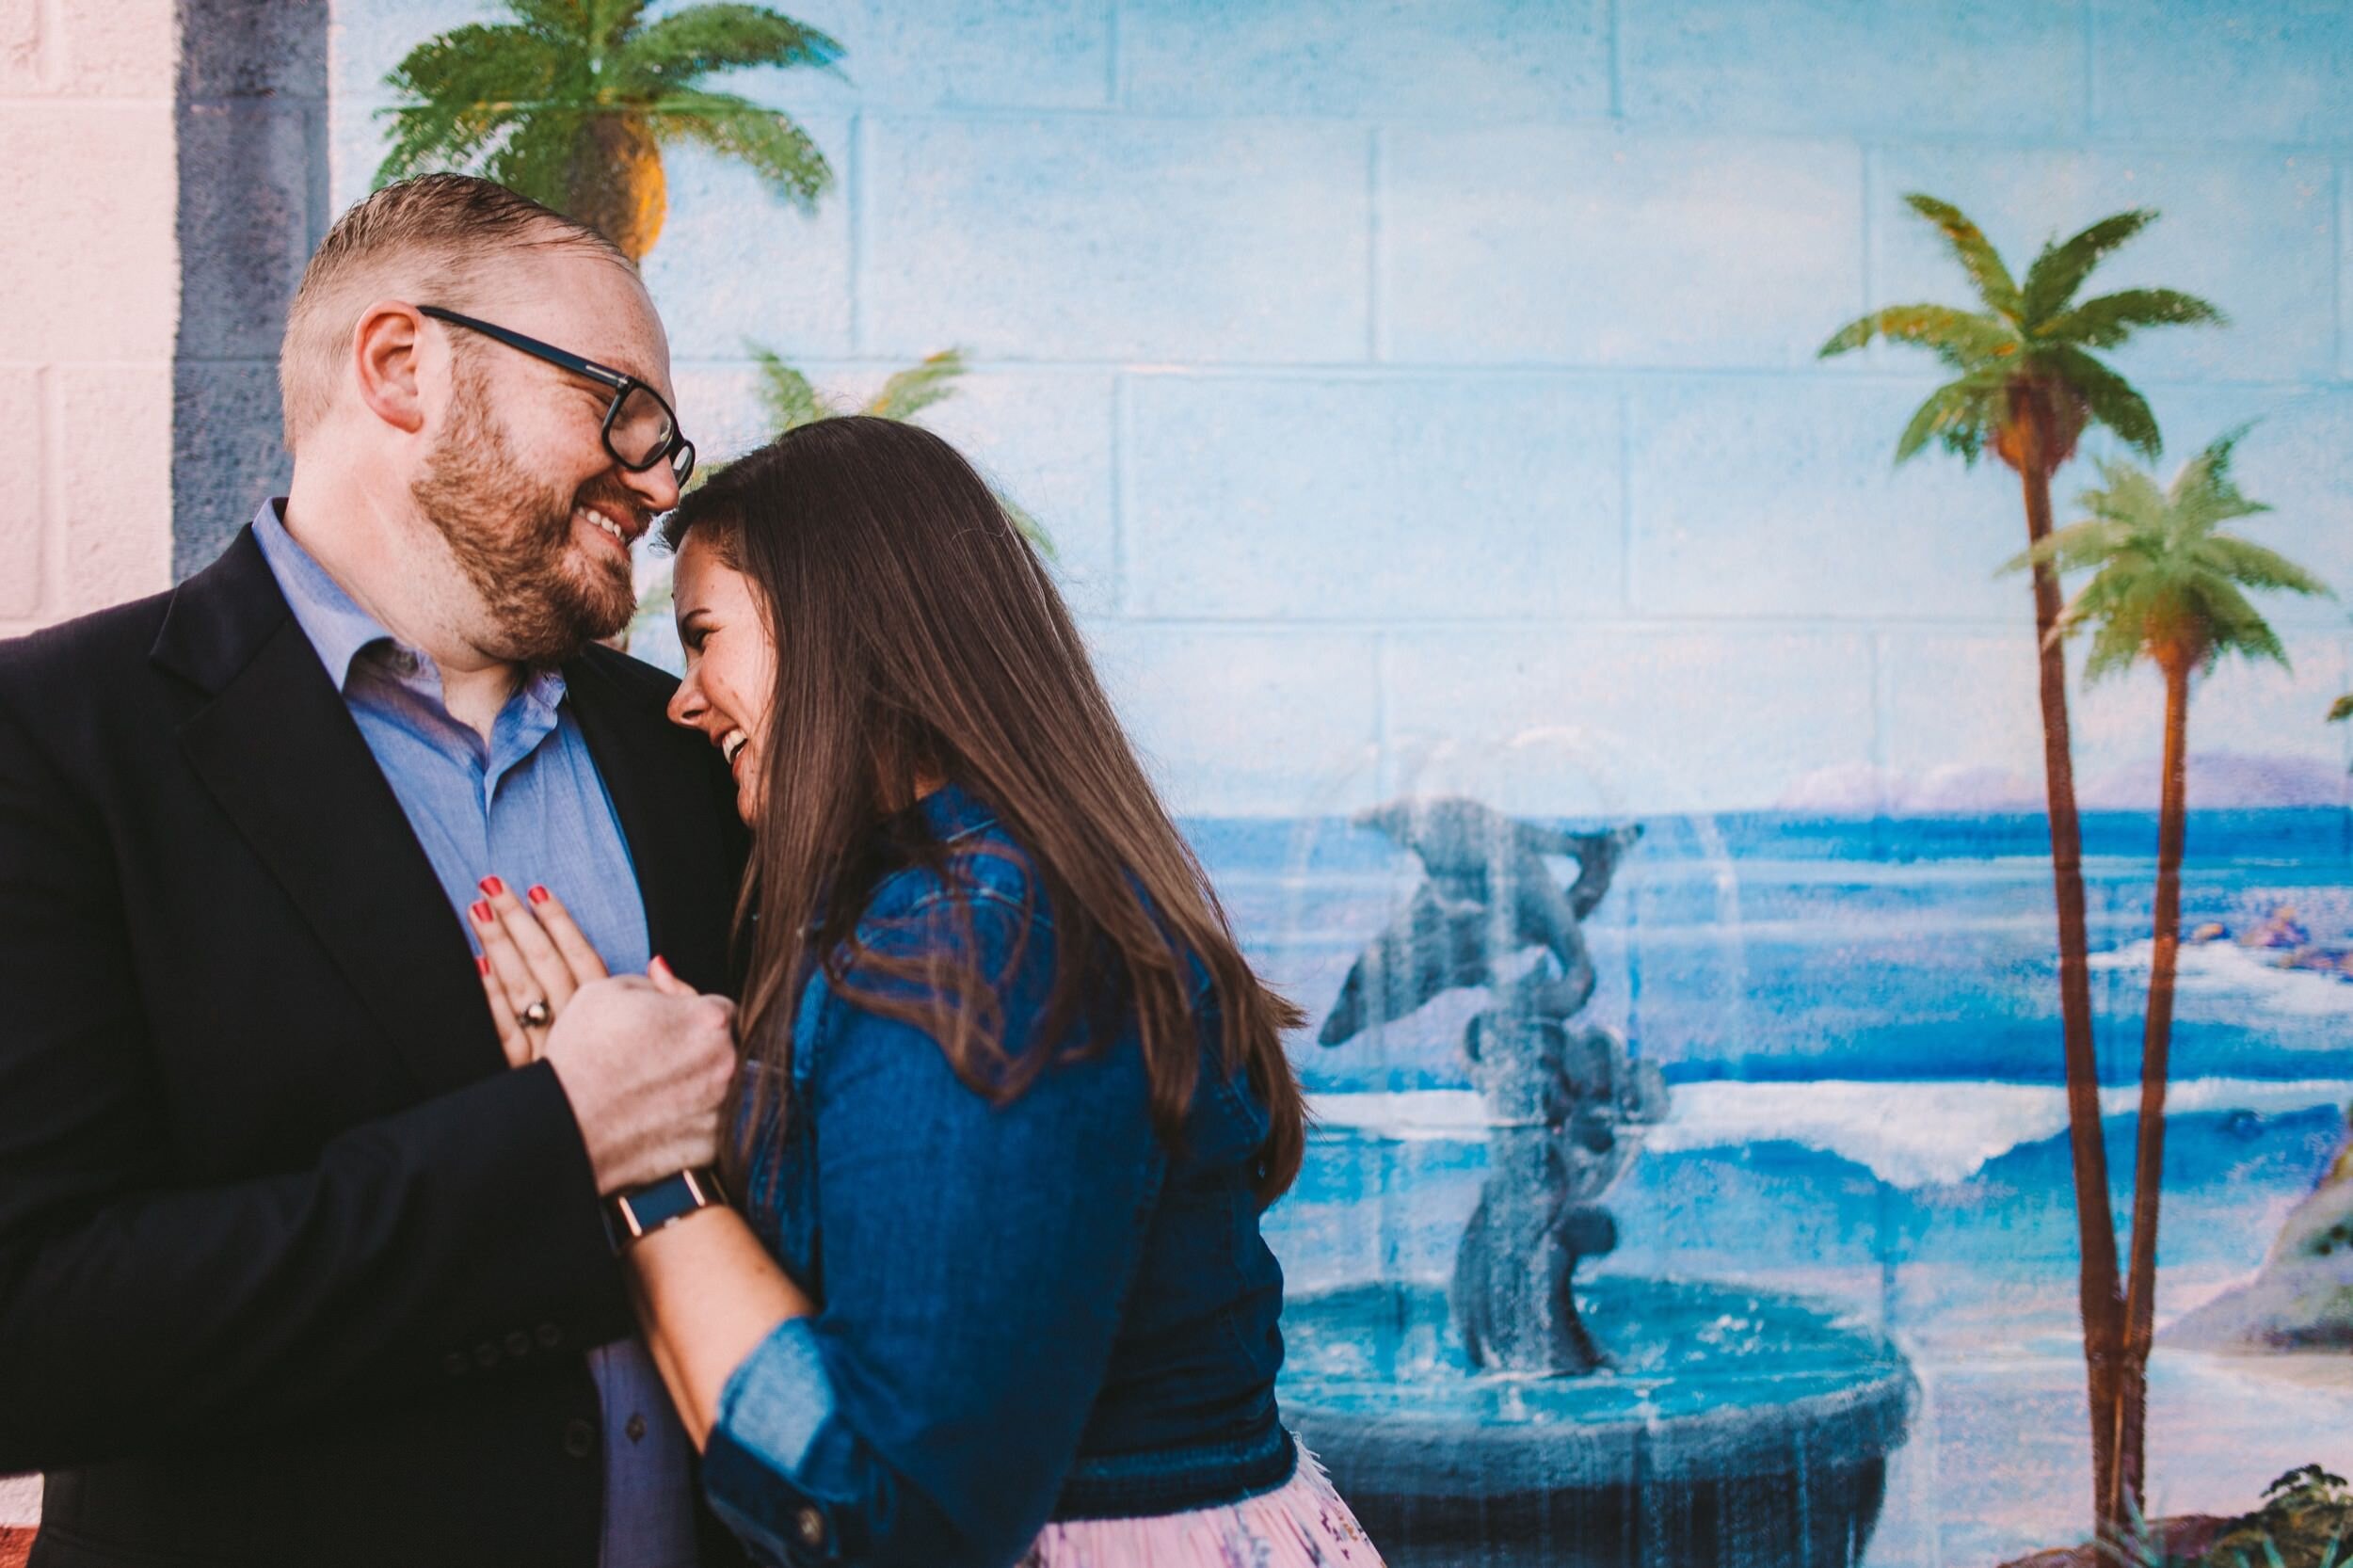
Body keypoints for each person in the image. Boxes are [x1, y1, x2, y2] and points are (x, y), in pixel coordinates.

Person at [471, 415, 1385, 1568]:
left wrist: (640, 1158)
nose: (684, 700)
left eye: (705, 637)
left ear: (844, 625)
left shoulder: (974, 944)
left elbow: (893, 1513)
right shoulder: (995, 900)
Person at [0, 174, 750, 1567]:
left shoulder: (688, 751)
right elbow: (30, 1333)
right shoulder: (51, 742)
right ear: (404, 367)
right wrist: (565, 1138)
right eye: (624, 410)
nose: (658, 480)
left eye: (669, 445)